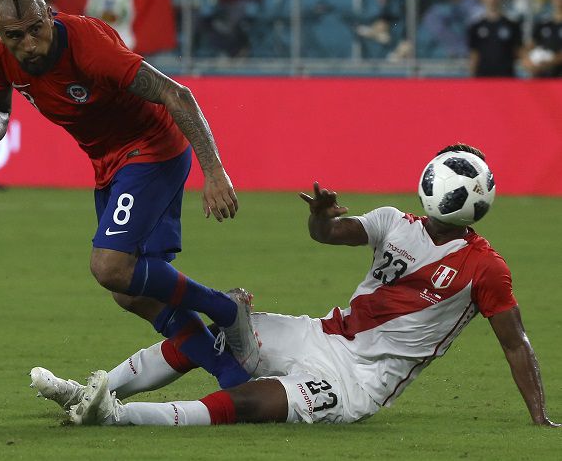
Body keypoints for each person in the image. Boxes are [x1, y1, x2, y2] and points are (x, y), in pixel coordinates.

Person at [31, 144, 559, 429]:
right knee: (215, 335)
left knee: (249, 402)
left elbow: (515, 342)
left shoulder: (486, 269)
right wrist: (322, 216)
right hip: (320, 335)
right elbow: (329, 234)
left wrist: (539, 415)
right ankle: (93, 392)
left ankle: (117, 416)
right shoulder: (393, 222)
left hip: (360, 382)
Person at [0, 0, 255, 390]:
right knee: (130, 291)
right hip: (108, 163)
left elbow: (178, 95)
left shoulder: (89, 46)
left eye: (37, 28)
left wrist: (214, 172)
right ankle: (233, 376)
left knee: (110, 266)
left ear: (50, 15)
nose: (29, 43)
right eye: (16, 36)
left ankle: (225, 308)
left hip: (151, 149)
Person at [468, 0, 523, 78]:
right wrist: (472, 76)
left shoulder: (512, 25)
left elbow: (518, 52)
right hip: (483, 77)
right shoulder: (476, 26)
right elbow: (474, 55)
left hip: (506, 77)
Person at [521, 0, 562, 78]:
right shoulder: (543, 24)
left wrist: (550, 62)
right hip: (543, 80)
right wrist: (526, 58)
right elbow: (530, 45)